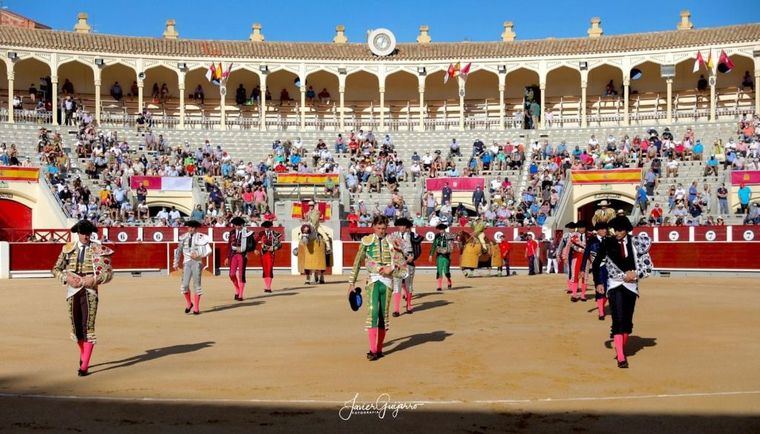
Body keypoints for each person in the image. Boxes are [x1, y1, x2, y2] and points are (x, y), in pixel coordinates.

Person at [52, 220, 115, 377]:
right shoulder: (68, 249)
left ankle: (84, 365)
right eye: (83, 233)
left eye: (88, 234)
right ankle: (84, 355)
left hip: (89, 291)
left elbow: (108, 273)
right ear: (78, 233)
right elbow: (55, 269)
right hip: (72, 291)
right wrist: (67, 278)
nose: (86, 236)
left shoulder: (98, 249)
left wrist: (93, 280)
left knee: (88, 326)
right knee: (76, 327)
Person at [347, 215, 407, 361]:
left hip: (387, 283)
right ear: (373, 227)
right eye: (379, 228)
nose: (381, 231)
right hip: (373, 281)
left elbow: (404, 268)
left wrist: (391, 268)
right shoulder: (367, 241)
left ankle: (379, 350)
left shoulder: (394, 242)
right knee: (373, 312)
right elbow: (357, 262)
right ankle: (373, 350)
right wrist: (351, 283)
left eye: (384, 228)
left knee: (383, 315)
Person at [592, 216, 645, 368]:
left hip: (631, 285)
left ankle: (620, 345)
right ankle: (621, 356)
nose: (617, 233)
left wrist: (636, 273)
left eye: (620, 230)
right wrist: (599, 282)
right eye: (615, 230)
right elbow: (596, 263)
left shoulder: (636, 243)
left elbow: (645, 264)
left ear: (626, 230)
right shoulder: (608, 242)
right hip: (614, 285)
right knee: (618, 318)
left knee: (627, 320)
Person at [173, 220, 212, 315]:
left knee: (197, 285)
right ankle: (189, 303)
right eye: (189, 227)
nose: (190, 229)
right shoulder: (183, 237)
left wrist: (199, 254)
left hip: (197, 263)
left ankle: (196, 307)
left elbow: (209, 251)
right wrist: (176, 262)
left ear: (196, 228)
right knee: (184, 285)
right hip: (186, 262)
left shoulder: (201, 237)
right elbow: (178, 251)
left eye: (192, 227)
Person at [388, 218, 419, 317]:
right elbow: (388, 246)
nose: (402, 227)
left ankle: (409, 305)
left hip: (409, 264)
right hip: (397, 264)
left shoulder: (413, 236)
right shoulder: (393, 236)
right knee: (397, 286)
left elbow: (418, 249)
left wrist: (413, 257)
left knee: (408, 285)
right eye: (400, 225)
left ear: (407, 227)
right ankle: (396, 310)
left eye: (404, 226)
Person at [582, 222, 609, 320]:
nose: (604, 231)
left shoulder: (609, 240)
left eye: (605, 229)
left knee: (608, 290)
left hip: (609, 269)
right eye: (602, 229)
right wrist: (582, 269)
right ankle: (601, 312)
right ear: (597, 230)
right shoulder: (592, 241)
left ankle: (601, 306)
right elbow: (585, 255)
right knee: (600, 289)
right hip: (598, 269)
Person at [226, 216, 255, 301]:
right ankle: (237, 289)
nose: (238, 227)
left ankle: (240, 295)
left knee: (241, 275)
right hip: (233, 255)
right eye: (236, 225)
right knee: (231, 274)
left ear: (242, 225)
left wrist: (244, 249)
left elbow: (252, 245)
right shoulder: (232, 233)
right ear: (234, 225)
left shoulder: (247, 233)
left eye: (239, 225)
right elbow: (229, 245)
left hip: (242, 255)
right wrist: (227, 257)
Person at [255, 220, 282, 293]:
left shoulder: (274, 234)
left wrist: (274, 248)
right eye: (265, 227)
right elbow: (255, 242)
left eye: (268, 227)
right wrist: (255, 249)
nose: (267, 228)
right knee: (265, 269)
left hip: (271, 253)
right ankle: (267, 286)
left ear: (270, 227)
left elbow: (279, 245)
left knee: (269, 269)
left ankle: (268, 287)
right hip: (263, 253)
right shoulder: (261, 233)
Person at [429, 223, 455, 291]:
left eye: (442, 229)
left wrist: (449, 251)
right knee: (439, 270)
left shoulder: (449, 236)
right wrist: (431, 255)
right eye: (440, 229)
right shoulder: (437, 236)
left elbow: (452, 246)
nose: (441, 231)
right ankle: (439, 286)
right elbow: (434, 245)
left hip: (446, 256)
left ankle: (449, 280)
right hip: (439, 256)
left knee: (446, 271)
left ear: (444, 229)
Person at [568, 221, 588, 302]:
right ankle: (574, 294)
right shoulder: (574, 235)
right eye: (580, 227)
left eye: (583, 227)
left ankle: (583, 295)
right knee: (575, 275)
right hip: (576, 257)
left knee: (585, 276)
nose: (582, 229)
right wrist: (579, 249)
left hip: (586, 258)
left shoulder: (589, 235)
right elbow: (572, 245)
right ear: (578, 228)